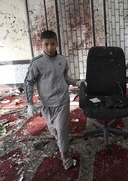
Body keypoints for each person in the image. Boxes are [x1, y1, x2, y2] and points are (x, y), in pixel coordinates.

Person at [24, 30, 82, 170]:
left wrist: (76, 82)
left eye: (52, 44)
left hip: (62, 100)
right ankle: (62, 142)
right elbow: (28, 82)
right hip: (47, 103)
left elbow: (65, 78)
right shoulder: (37, 63)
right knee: (54, 130)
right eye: (46, 44)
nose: (50, 47)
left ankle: (65, 156)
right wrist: (30, 103)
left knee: (61, 129)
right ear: (41, 45)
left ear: (57, 43)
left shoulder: (62, 60)